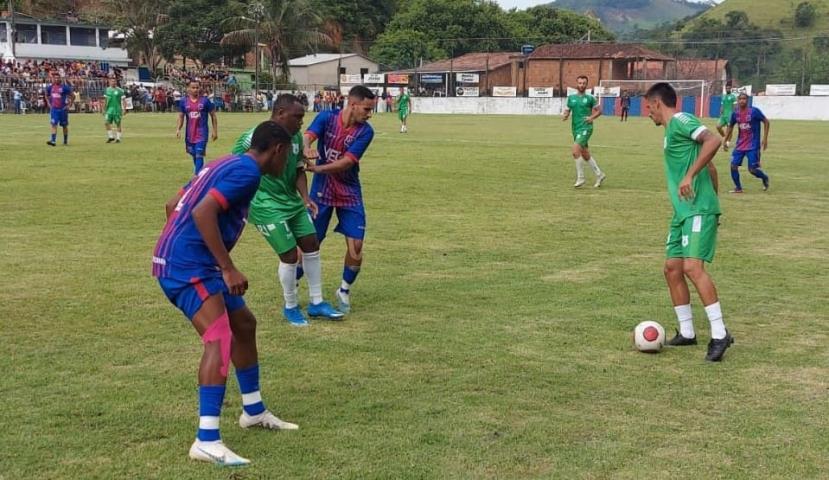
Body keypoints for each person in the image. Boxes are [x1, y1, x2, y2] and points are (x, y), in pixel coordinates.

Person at [152, 121, 299, 466]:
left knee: (244, 325)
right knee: (219, 339)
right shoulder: (247, 173)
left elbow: (173, 203)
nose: (289, 163)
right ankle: (206, 440)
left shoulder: (224, 162)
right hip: (188, 268)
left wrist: (179, 243)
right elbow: (203, 211)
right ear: (277, 150)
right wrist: (227, 267)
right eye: (289, 155)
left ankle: (253, 411)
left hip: (194, 262)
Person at [231, 94, 343, 326]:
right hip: (265, 205)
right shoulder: (253, 137)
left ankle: (316, 302)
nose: (302, 122)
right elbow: (235, 165)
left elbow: (299, 169)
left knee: (311, 243)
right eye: (297, 117)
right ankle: (290, 306)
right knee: (290, 255)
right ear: (281, 113)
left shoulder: (295, 138)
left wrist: (305, 198)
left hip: (292, 202)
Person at [645, 82, 733, 362]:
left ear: (658, 103)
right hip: (683, 212)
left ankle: (720, 334)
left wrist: (690, 179)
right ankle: (687, 331)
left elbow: (714, 140)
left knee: (693, 268)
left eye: (649, 108)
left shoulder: (682, 120)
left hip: (696, 209)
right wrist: (713, 200)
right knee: (672, 268)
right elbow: (710, 165)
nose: (648, 114)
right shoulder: (671, 131)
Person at [302, 85, 376, 314]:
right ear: (352, 105)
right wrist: (306, 148)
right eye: (366, 108)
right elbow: (307, 136)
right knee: (309, 243)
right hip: (321, 192)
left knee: (356, 245)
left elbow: (346, 163)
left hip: (348, 190)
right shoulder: (326, 118)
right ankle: (292, 284)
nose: (369, 114)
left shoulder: (366, 131)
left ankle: (343, 290)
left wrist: (316, 169)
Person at [562, 75, 606, 188]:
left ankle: (581, 178)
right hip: (575, 128)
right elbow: (567, 111)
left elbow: (600, 111)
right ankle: (599, 174)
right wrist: (565, 116)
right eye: (580, 83)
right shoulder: (571, 98)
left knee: (575, 150)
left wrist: (591, 118)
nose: (581, 85)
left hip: (586, 127)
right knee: (585, 154)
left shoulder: (590, 98)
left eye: (584, 83)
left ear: (586, 85)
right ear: (577, 84)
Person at [723, 93, 770, 193]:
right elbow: (730, 126)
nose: (742, 101)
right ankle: (738, 188)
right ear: (738, 100)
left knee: (752, 170)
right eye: (740, 99)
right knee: (733, 166)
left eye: (744, 99)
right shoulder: (735, 114)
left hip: (753, 145)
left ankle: (764, 177)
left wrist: (765, 139)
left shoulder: (754, 111)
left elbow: (766, 122)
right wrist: (725, 140)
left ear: (747, 100)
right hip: (740, 144)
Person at [176, 80, 218, 173]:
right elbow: (181, 116)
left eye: (197, 87)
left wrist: (215, 131)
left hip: (201, 134)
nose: (195, 89)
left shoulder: (205, 101)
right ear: (188, 89)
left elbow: (213, 116)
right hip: (190, 134)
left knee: (199, 154)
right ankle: (202, 173)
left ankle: (197, 178)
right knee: (194, 154)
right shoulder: (184, 101)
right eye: (193, 87)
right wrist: (178, 129)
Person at [44, 72, 73, 146]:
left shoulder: (64, 87)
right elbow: (46, 95)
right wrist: (48, 103)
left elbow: (73, 96)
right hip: (54, 109)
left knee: (64, 126)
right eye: (55, 78)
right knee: (54, 124)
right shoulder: (51, 87)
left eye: (58, 78)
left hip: (63, 109)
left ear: (60, 79)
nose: (56, 79)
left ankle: (65, 141)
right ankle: (53, 141)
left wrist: (69, 105)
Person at [103, 76, 127, 143]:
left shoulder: (120, 90)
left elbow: (124, 100)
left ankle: (118, 138)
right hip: (109, 110)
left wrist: (124, 109)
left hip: (117, 109)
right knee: (106, 122)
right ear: (109, 82)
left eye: (114, 81)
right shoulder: (107, 90)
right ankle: (111, 137)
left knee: (118, 124)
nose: (113, 82)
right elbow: (105, 100)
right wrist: (103, 109)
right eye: (112, 81)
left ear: (116, 82)